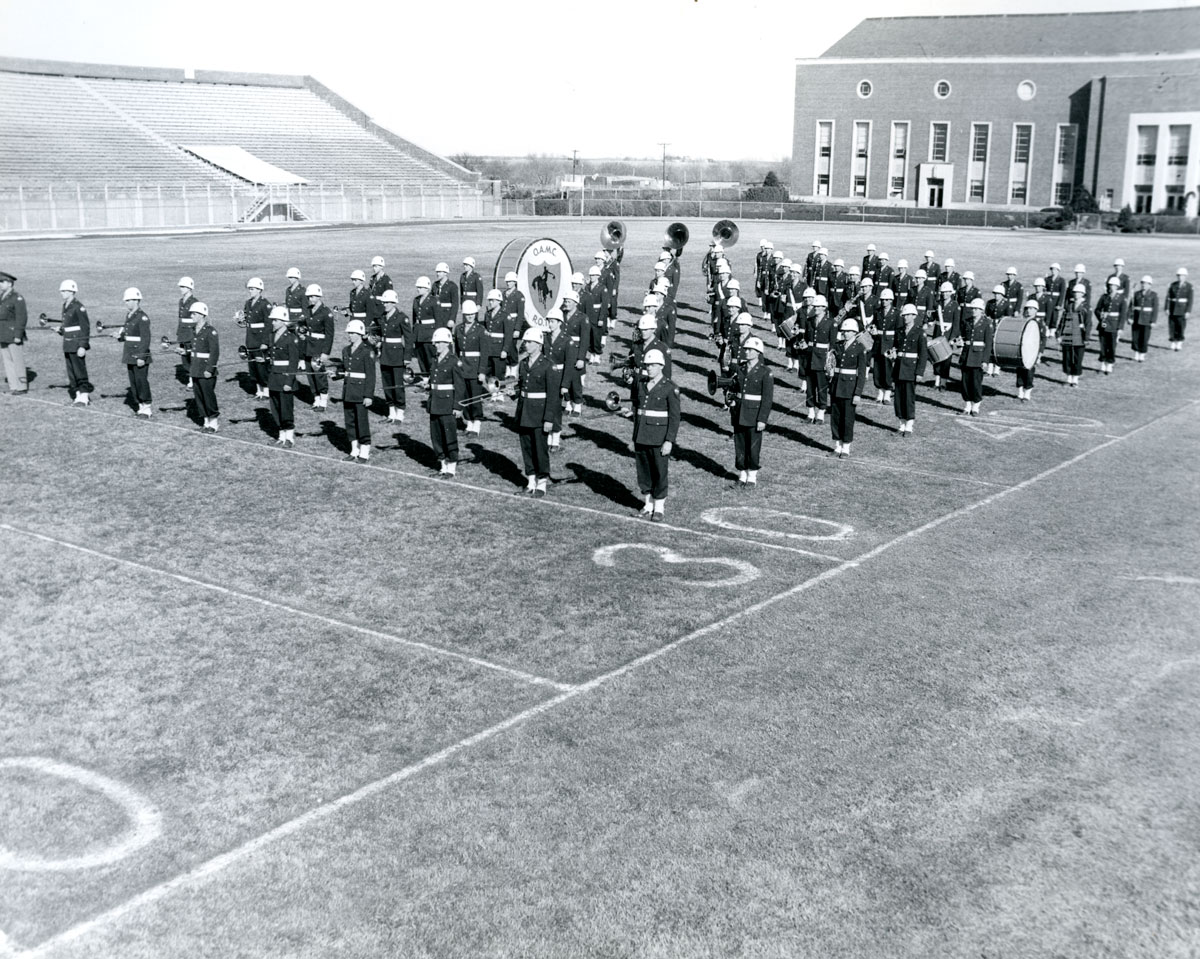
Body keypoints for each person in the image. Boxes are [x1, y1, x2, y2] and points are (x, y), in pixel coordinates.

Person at [631, 347, 680, 522]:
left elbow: (674, 417)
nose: (649, 368)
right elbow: (638, 409)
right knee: (644, 472)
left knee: (659, 472)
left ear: (661, 366)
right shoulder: (642, 384)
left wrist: (669, 441)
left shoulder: (670, 388)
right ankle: (648, 505)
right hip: (641, 436)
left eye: (652, 365)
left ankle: (659, 508)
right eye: (647, 365)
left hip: (658, 438)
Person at [514, 327, 556, 497]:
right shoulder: (523, 363)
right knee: (527, 448)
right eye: (526, 341)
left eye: (530, 342)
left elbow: (552, 396)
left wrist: (549, 419)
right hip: (524, 411)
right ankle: (531, 481)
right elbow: (522, 386)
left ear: (539, 345)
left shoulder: (548, 365)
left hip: (539, 414)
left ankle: (542, 483)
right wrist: (513, 392)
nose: (526, 344)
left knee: (540, 449)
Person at [730, 336, 773, 486]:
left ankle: (752, 477)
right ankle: (742, 475)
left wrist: (762, 419)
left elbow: (767, 398)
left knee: (753, 446)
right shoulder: (740, 369)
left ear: (758, 352)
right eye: (746, 349)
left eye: (750, 350)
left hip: (754, 415)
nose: (747, 352)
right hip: (739, 412)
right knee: (740, 444)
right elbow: (734, 388)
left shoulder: (765, 372)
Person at [427, 326, 465, 476]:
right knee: (436, 436)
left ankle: (451, 467)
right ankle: (443, 466)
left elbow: (460, 386)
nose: (436, 345)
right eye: (435, 343)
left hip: (447, 404)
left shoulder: (454, 361)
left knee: (449, 436)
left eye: (438, 342)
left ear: (447, 343)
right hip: (435, 403)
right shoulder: (435, 360)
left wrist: (458, 407)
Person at [339, 319, 377, 462]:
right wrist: (335, 374)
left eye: (353, 333)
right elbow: (344, 370)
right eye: (349, 333)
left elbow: (371, 375)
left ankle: (364, 451)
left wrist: (368, 395)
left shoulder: (367, 351)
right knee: (350, 422)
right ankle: (354, 450)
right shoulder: (345, 350)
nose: (350, 335)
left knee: (361, 421)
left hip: (360, 392)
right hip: (348, 391)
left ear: (360, 334)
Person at [829, 318, 867, 457]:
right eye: (844, 331)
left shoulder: (860, 348)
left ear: (855, 332)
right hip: (836, 385)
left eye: (848, 331)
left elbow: (861, 373)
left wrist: (858, 393)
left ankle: (846, 447)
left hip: (849, 388)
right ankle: (837, 446)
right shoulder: (837, 345)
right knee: (836, 417)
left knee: (847, 418)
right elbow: (831, 363)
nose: (845, 333)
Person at [375, 289, 412, 423]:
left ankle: (400, 413)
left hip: (397, 355)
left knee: (397, 385)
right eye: (384, 302)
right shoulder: (382, 317)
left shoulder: (402, 317)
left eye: (387, 302)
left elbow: (409, 338)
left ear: (394, 303)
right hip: (385, 354)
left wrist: (407, 357)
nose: (385, 305)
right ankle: (391, 413)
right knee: (387, 384)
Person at [890, 303, 927, 434]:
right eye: (904, 315)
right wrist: (893, 354)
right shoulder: (899, 331)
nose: (906, 317)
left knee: (908, 397)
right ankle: (901, 423)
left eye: (909, 315)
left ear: (914, 316)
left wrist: (919, 372)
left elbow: (923, 354)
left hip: (911, 369)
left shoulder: (920, 332)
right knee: (898, 397)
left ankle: (909, 424)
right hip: (899, 368)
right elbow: (895, 347)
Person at [267, 305, 299, 447]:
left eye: (275, 320)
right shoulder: (272, 336)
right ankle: (281, 436)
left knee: (286, 408)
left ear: (283, 321)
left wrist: (289, 381)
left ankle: (289, 437)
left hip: (285, 377)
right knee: (275, 408)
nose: (273, 322)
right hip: (274, 376)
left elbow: (293, 361)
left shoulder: (291, 338)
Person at [116, 287, 152, 416]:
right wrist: (119, 336)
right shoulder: (129, 315)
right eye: (126, 301)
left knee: (141, 380)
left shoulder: (142, 317)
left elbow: (145, 339)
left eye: (128, 300)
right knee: (134, 381)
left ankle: (147, 406)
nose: (126, 303)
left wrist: (141, 356)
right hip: (129, 353)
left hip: (139, 354)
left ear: (136, 300)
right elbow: (128, 334)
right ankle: (140, 405)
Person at [454, 300, 485, 436]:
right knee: (465, 395)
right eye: (468, 314)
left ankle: (476, 425)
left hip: (475, 367)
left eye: (472, 314)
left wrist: (482, 371)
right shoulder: (458, 329)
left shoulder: (480, 330)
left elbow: (484, 352)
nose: (470, 316)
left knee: (475, 397)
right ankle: (469, 423)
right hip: (462, 366)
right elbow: (456, 350)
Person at [58, 280, 92, 405]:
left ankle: (84, 395)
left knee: (79, 370)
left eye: (64, 291)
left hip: (76, 344)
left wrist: (83, 346)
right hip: (68, 344)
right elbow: (69, 326)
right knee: (71, 372)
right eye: (62, 291)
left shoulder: (78, 307)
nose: (62, 293)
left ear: (72, 292)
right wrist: (60, 330)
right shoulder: (65, 305)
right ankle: (77, 394)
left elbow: (85, 327)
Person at [803, 293, 835, 424]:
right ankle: (810, 412)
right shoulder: (809, 321)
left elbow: (832, 344)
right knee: (810, 387)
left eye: (818, 306)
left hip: (822, 358)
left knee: (822, 386)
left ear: (824, 308)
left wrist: (830, 361)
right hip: (810, 357)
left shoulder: (830, 323)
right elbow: (806, 339)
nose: (815, 308)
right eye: (814, 306)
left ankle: (821, 412)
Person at [188, 302, 220, 432]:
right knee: (199, 396)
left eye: (194, 314)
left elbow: (214, 352)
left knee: (208, 396)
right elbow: (193, 349)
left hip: (205, 369)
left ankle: (213, 423)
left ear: (202, 315)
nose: (192, 316)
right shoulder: (193, 330)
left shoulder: (210, 331)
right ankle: (206, 422)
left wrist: (209, 369)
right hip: (195, 368)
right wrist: (184, 351)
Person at [958, 297, 993, 415]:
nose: (974, 311)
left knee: (976, 383)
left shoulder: (986, 323)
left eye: (976, 309)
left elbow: (988, 344)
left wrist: (985, 361)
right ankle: (967, 405)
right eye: (973, 309)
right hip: (966, 356)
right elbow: (963, 337)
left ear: (981, 310)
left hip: (978, 357)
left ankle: (976, 406)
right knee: (965, 382)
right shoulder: (967, 322)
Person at [302, 284, 334, 409]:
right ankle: (316, 398)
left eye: (313, 296)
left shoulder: (326, 312)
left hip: (319, 347)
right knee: (310, 373)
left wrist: (326, 352)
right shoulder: (308, 310)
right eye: (309, 297)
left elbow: (329, 334)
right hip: (308, 345)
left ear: (319, 296)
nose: (310, 299)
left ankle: (323, 400)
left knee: (319, 374)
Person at [561, 288, 589, 417]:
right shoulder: (561, 315)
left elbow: (585, 340)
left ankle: (577, 404)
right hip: (563, 352)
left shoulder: (582, 318)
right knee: (564, 378)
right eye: (565, 301)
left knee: (575, 381)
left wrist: (581, 358)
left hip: (576, 353)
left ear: (575, 303)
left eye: (569, 301)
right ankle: (567, 403)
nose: (566, 303)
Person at [481, 288, 513, 398]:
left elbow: (508, 335)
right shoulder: (487, 314)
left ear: (499, 301)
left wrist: (505, 350)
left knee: (499, 372)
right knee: (488, 371)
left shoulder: (505, 315)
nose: (490, 302)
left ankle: (500, 393)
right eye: (489, 300)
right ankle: (493, 391)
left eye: (493, 300)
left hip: (499, 348)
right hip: (489, 348)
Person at [928, 281, 960, 390]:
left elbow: (956, 324)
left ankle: (943, 383)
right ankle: (936, 382)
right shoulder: (938, 304)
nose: (945, 294)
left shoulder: (955, 305)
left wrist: (952, 338)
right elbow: (933, 318)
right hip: (937, 333)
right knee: (936, 357)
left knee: (946, 359)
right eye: (943, 292)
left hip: (948, 334)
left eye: (947, 292)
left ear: (951, 293)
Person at [242, 277, 271, 400]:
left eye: (253, 289)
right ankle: (259, 391)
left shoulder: (265, 304)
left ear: (259, 290)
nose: (250, 291)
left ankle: (266, 391)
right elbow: (247, 320)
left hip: (260, 339)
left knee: (262, 367)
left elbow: (269, 324)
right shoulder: (248, 303)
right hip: (250, 339)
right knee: (253, 366)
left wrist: (265, 342)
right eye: (249, 289)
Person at [0, 271, 29, 395]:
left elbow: (21, 318)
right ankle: (13, 385)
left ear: (10, 284)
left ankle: (21, 386)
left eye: (2, 282)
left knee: (17, 361)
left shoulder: (17, 298)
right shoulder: (2, 297)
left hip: (13, 334)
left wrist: (18, 335)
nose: (0, 284)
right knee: (7, 361)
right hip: (3, 334)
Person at [1057, 284, 1091, 387]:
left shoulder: (1086, 307)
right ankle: (1068, 378)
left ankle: (1075, 379)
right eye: (1075, 292)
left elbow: (1088, 323)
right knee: (1067, 356)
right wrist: (1059, 334)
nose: (1076, 294)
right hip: (1068, 334)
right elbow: (1063, 320)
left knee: (1077, 357)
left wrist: (1086, 338)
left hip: (1080, 336)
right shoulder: (1069, 305)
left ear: (1083, 294)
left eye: (1079, 292)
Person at [1094, 276, 1127, 375]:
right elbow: (1097, 309)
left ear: (1117, 287)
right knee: (1103, 345)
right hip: (1104, 324)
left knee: (1112, 345)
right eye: (1110, 285)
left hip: (1114, 325)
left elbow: (1123, 314)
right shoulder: (1104, 297)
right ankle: (1103, 363)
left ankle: (1110, 363)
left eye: (1113, 285)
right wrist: (1101, 315)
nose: (1111, 287)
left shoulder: (1121, 298)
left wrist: (1120, 327)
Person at [870, 287, 898, 404]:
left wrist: (895, 347)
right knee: (878, 368)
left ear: (891, 300)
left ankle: (887, 392)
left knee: (887, 368)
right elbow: (873, 324)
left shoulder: (896, 313)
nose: (884, 302)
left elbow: (899, 331)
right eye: (882, 300)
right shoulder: (877, 312)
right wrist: (873, 329)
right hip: (878, 342)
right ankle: (880, 391)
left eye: (886, 300)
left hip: (889, 343)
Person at [1015, 300, 1041, 401]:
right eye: (1027, 308)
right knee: (1019, 369)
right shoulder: (1022, 321)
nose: (1029, 311)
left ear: (1036, 310)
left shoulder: (1039, 323)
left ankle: (1027, 391)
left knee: (1029, 371)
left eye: (1031, 309)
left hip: (1032, 350)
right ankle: (1020, 391)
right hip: (1021, 349)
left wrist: (1040, 354)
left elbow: (1042, 339)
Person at [1129, 275, 1158, 362]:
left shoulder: (1153, 295)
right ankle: (1136, 352)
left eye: (1146, 284)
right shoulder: (1136, 294)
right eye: (1142, 283)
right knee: (1135, 337)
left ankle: (1142, 353)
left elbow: (1155, 309)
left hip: (1146, 319)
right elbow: (1131, 307)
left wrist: (1153, 321)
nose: (1143, 285)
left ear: (1150, 285)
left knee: (1144, 337)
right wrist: (1130, 317)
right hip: (1136, 319)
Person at [176, 276, 198, 387]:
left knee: (191, 357)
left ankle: (193, 380)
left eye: (183, 287)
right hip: (182, 333)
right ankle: (191, 377)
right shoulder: (181, 301)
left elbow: (197, 320)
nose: (181, 289)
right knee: (184, 358)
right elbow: (180, 319)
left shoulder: (194, 302)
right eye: (181, 287)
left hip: (190, 333)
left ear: (189, 288)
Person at [1166, 267, 1192, 350]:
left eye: (1182, 276)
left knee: (1180, 326)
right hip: (1173, 308)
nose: (1180, 277)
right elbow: (1168, 297)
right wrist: (1167, 308)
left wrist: (1188, 311)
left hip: (1182, 309)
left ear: (1185, 276)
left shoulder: (1189, 286)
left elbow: (1190, 300)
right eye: (1179, 275)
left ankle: (1180, 341)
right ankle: (1173, 341)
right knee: (1172, 326)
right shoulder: (1173, 285)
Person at [367, 255, 393, 332]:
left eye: (376, 266)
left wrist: (376, 298)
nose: (374, 268)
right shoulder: (373, 278)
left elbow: (389, 297)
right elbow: (370, 291)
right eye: (373, 266)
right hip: (373, 309)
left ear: (381, 267)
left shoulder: (386, 280)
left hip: (381, 310)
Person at [432, 262, 460, 331]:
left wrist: (452, 319)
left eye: (440, 272)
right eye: (437, 272)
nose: (437, 274)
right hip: (435, 317)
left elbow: (455, 304)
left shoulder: (452, 286)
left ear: (445, 273)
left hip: (446, 317)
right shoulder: (435, 285)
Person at [284, 267, 309, 336]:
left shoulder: (302, 291)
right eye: (289, 277)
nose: (289, 279)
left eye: (291, 277)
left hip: (298, 319)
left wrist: (302, 321)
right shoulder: (288, 290)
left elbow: (306, 308)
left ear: (296, 278)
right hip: (289, 318)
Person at [1045, 263, 1068, 330]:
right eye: (1052, 269)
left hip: (1056, 300)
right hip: (1048, 299)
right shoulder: (1047, 279)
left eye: (1055, 269)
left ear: (1058, 270)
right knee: (1047, 314)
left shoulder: (1061, 280)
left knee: (1054, 316)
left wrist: (1059, 304)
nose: (1053, 271)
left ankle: (1053, 329)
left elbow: (1062, 293)